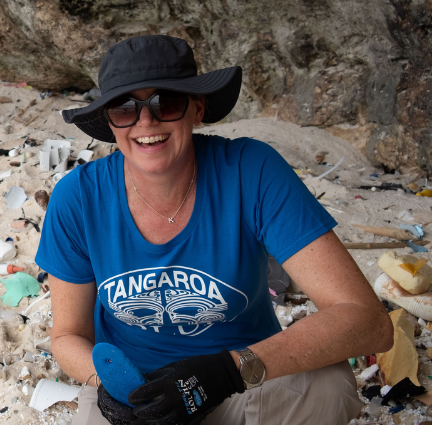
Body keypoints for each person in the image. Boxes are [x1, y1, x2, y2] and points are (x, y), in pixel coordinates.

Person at [36, 35, 394, 425]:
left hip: (241, 382)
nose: (146, 121)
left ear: (197, 108)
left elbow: (368, 321)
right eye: (125, 108)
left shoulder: (251, 172)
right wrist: (107, 385)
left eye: (165, 103)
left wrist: (226, 372)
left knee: (328, 385)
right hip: (137, 396)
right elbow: (68, 336)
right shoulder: (78, 197)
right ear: (110, 122)